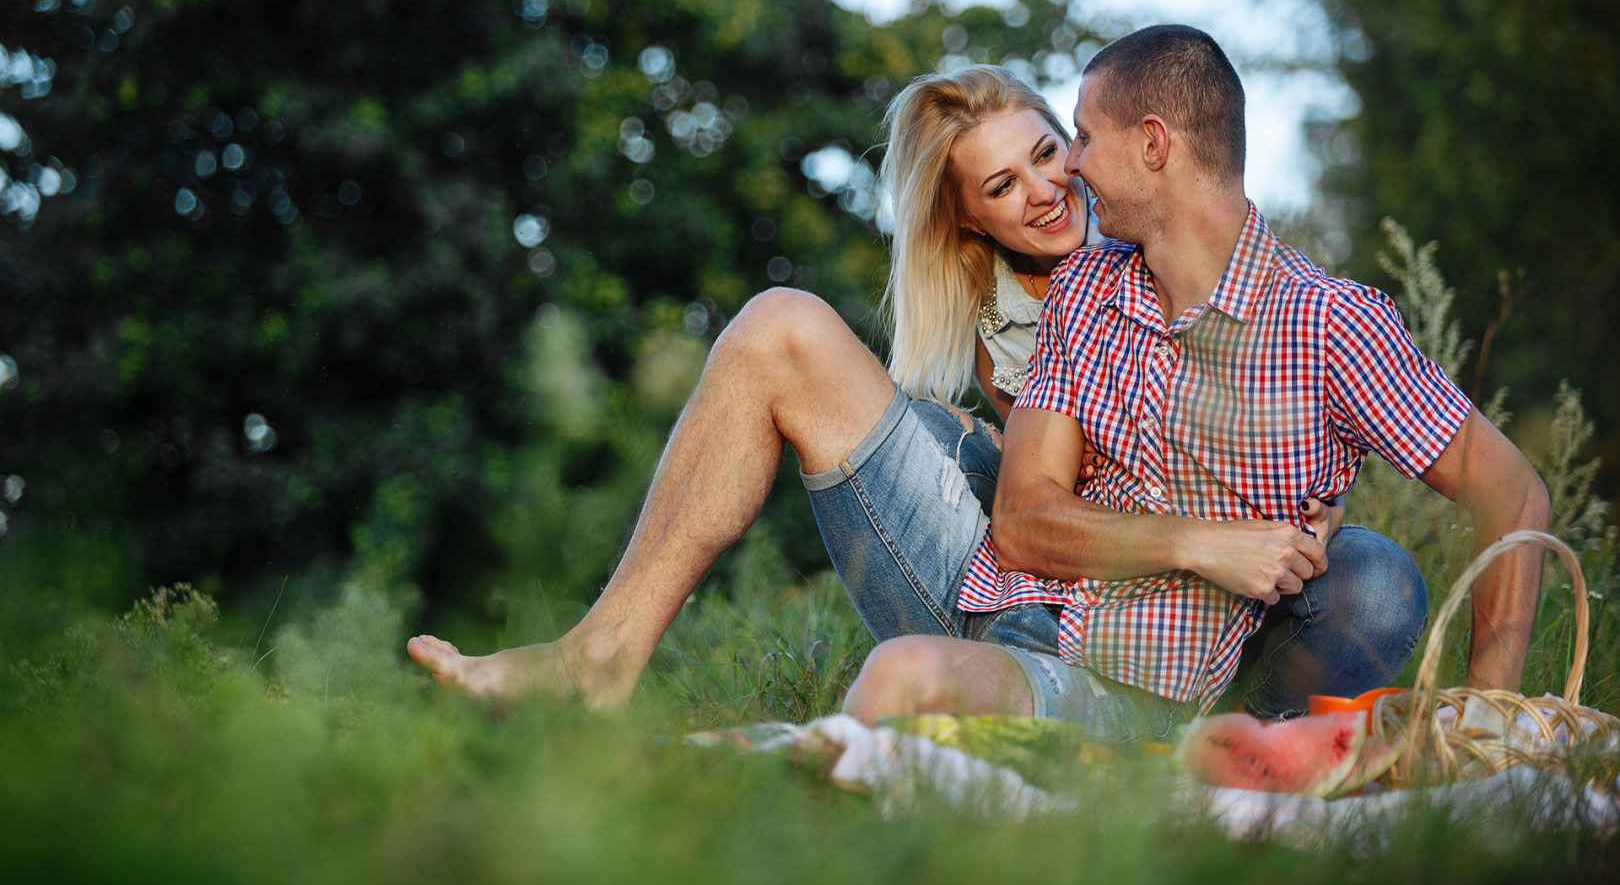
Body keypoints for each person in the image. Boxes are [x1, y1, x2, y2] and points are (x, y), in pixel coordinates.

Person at [406, 64, 1349, 734]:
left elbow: (1286, 382)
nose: (1046, 190)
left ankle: (1243, 736)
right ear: (968, 217)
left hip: (1170, 601)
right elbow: (1041, 502)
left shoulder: (1170, 235)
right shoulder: (1005, 320)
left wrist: (1315, 482)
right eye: (1001, 184)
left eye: (1049, 152)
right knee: (787, 329)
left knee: (1372, 569)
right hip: (1026, 584)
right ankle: (601, 656)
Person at [953, 25, 1548, 733]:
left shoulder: (1331, 323)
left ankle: (1251, 743)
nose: (1072, 167)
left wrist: (1488, 710)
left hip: (1234, 656)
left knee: (1377, 582)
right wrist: (1200, 540)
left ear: (1152, 144)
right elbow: (1020, 522)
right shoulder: (1084, 288)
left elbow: (1512, 494)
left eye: (1082, 137)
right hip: (1063, 636)